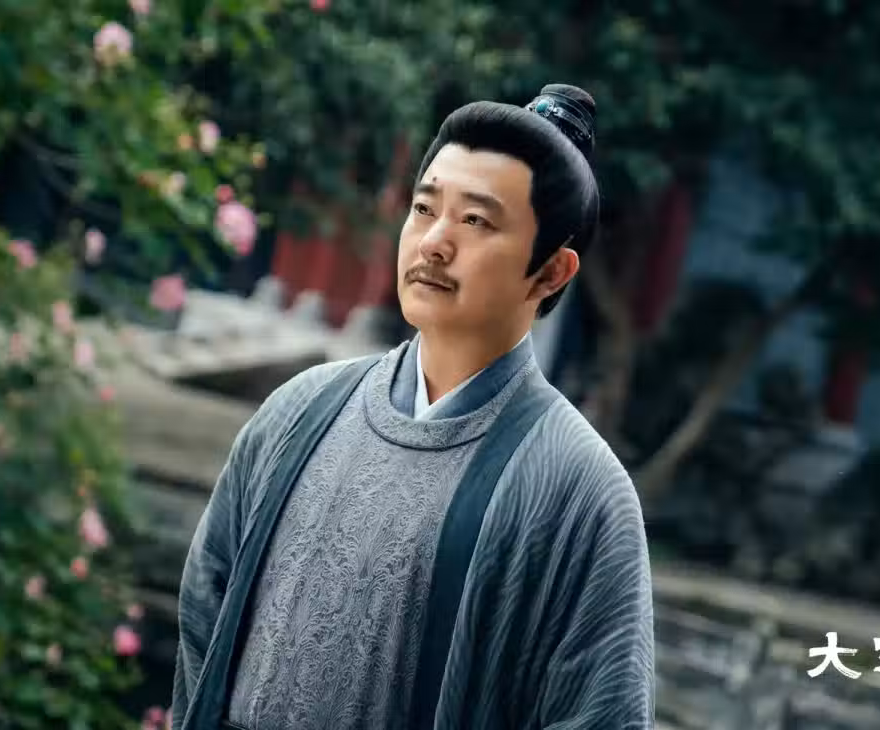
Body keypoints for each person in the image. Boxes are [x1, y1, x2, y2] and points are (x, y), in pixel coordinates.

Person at [171, 83, 656, 730]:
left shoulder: (578, 490)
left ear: (551, 273)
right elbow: (202, 625)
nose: (434, 242)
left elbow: (601, 716)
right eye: (425, 208)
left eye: (476, 221)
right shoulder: (300, 413)